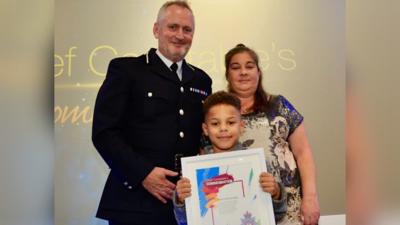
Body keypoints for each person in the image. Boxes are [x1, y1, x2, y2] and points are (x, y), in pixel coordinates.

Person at [91, 1, 212, 225]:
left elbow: (206, 137)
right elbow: (104, 132)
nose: (180, 35)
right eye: (173, 27)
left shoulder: (201, 80)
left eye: (187, 29)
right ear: (156, 30)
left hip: (187, 204)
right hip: (134, 203)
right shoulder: (127, 70)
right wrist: (143, 173)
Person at [223, 44, 320, 225]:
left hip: (290, 210)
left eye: (249, 66)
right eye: (236, 68)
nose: (243, 72)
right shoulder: (219, 114)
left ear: (259, 72)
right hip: (245, 211)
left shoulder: (280, 105)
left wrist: (311, 197)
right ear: (228, 75)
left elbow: (303, 152)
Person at [173, 91, 287, 225]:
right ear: (205, 129)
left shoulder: (257, 164)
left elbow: (278, 214)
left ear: (241, 126)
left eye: (231, 122)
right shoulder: (194, 171)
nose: (223, 129)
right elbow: (183, 220)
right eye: (215, 124)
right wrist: (181, 199)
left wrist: (275, 192)